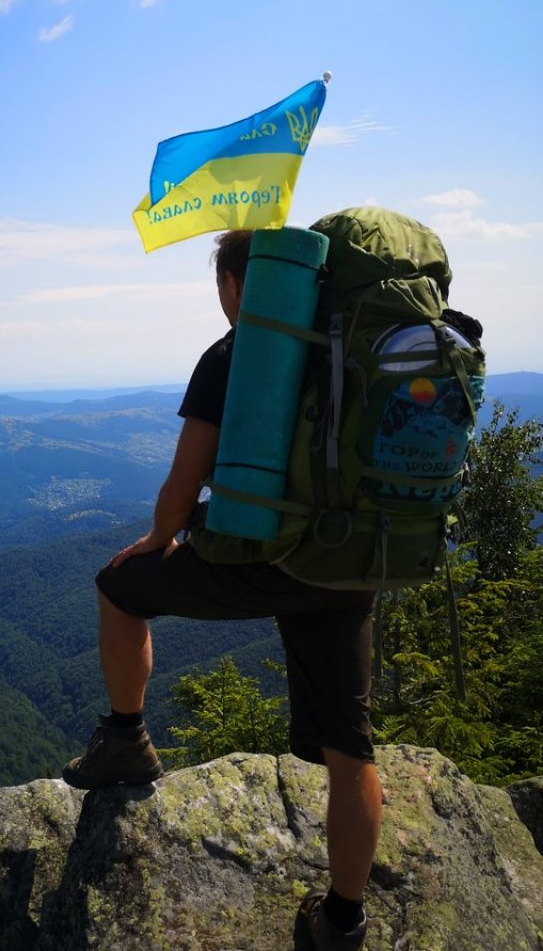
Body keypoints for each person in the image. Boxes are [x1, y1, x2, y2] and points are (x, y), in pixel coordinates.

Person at [62, 229, 381, 951]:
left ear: (244, 284)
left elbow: (183, 485)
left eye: (222, 284)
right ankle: (344, 921)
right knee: (351, 746)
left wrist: (158, 539)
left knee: (118, 585)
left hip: (261, 559)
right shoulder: (350, 348)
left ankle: (126, 741)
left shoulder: (234, 354)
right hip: (348, 565)